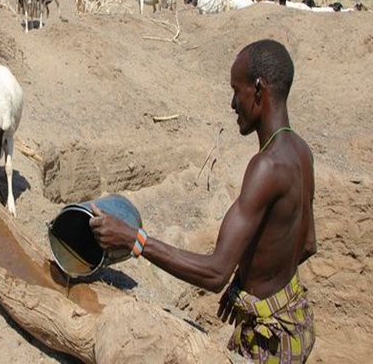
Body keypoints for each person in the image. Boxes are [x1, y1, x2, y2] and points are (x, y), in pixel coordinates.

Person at [89, 39, 316, 363]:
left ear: (258, 90)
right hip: (294, 315)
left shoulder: (266, 167)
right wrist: (249, 284)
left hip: (272, 340)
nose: (232, 103)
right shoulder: (301, 151)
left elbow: (214, 273)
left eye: (236, 91)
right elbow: (307, 244)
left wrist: (134, 239)